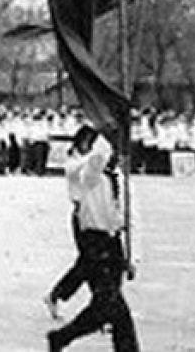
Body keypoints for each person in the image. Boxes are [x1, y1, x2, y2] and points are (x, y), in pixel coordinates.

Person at [44, 126, 140, 352]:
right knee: (112, 304)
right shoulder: (87, 173)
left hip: (114, 242)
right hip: (94, 241)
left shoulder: (121, 180)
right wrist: (110, 133)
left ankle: (61, 337)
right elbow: (93, 164)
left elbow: (132, 220)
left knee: (108, 304)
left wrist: (133, 256)